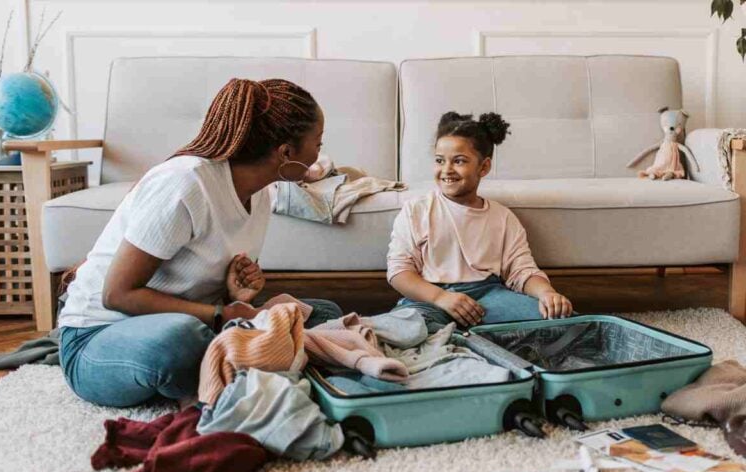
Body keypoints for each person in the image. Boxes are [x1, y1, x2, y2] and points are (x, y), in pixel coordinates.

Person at [57, 78, 342, 407]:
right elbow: (117, 294)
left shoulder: (260, 196)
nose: (320, 154)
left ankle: (242, 361)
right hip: (97, 339)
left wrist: (236, 296)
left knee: (322, 313)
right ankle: (249, 365)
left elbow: (197, 291)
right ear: (287, 152)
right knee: (181, 342)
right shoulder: (185, 183)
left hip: (196, 326)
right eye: (318, 143)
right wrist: (223, 314)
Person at [387, 111, 574, 330]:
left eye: (459, 161)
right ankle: (473, 343)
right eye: (440, 160)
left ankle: (475, 342)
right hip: (429, 298)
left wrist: (546, 293)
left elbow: (522, 271)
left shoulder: (502, 217)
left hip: (488, 298)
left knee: (564, 324)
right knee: (405, 328)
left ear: (483, 167)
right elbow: (399, 272)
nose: (446, 170)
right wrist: (441, 298)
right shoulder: (416, 211)